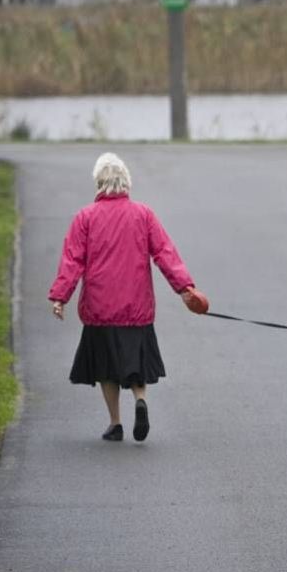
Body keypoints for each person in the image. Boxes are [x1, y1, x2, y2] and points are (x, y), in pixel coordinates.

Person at [49, 152, 197, 442]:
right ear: (126, 183)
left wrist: (60, 297)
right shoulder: (143, 214)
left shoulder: (85, 218)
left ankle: (115, 423)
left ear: (99, 183)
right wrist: (184, 288)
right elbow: (165, 254)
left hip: (100, 307)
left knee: (106, 367)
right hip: (135, 307)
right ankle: (140, 399)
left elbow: (72, 261)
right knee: (135, 363)